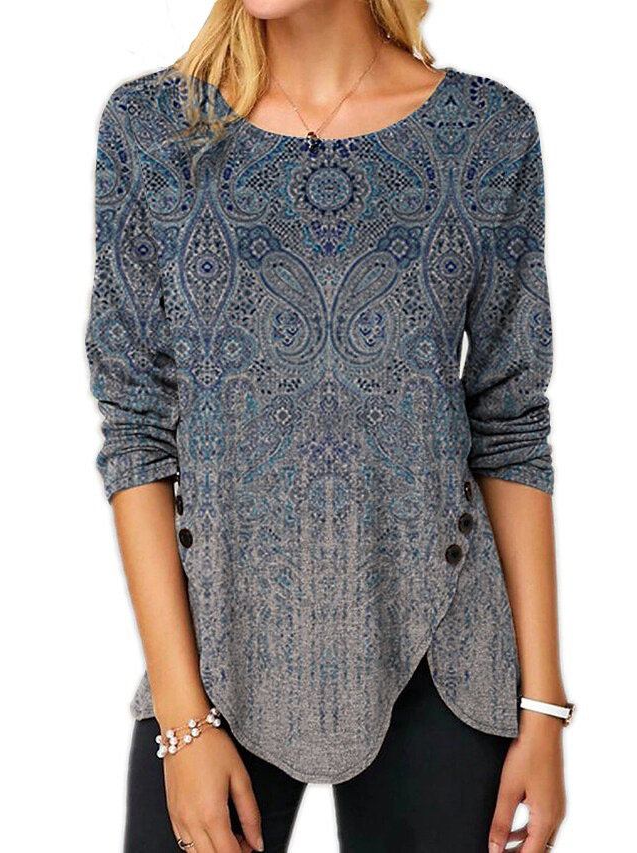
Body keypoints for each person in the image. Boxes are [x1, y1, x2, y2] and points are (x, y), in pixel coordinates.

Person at [85, 1, 574, 851]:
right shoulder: (154, 131)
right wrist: (182, 718)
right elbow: (135, 429)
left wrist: (542, 709)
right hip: (217, 659)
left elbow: (510, 424)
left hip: (444, 658)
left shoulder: (488, 134)